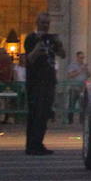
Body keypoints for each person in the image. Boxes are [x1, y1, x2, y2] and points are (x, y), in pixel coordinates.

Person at [23, 12, 66, 155]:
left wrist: (58, 44)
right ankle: (31, 145)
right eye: (43, 23)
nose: (45, 26)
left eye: (47, 23)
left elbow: (62, 54)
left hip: (49, 80)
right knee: (35, 112)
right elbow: (28, 59)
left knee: (45, 113)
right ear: (37, 23)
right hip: (35, 81)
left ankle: (38, 143)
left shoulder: (51, 39)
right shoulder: (31, 38)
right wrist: (38, 47)